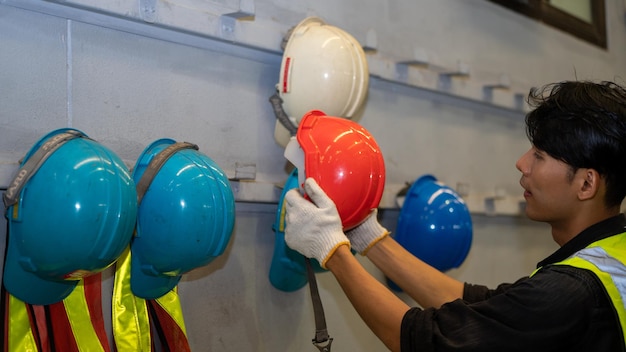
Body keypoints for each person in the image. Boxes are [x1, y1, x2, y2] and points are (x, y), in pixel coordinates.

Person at [283, 80, 626, 352]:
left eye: (539, 155)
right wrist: (369, 238)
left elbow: (423, 341)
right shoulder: (610, 258)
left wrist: (332, 251)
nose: (522, 164)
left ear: (586, 183)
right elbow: (482, 307)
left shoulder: (571, 292)